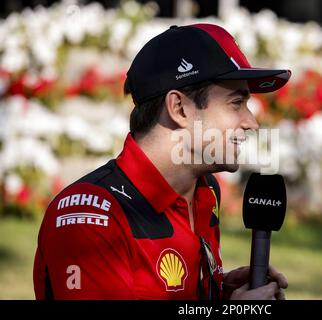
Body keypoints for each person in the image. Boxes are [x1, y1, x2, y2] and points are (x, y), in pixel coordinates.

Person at [33, 23, 291, 300]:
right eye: (236, 103)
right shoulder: (92, 218)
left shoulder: (204, 190)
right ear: (179, 108)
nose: (251, 122)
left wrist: (218, 292)